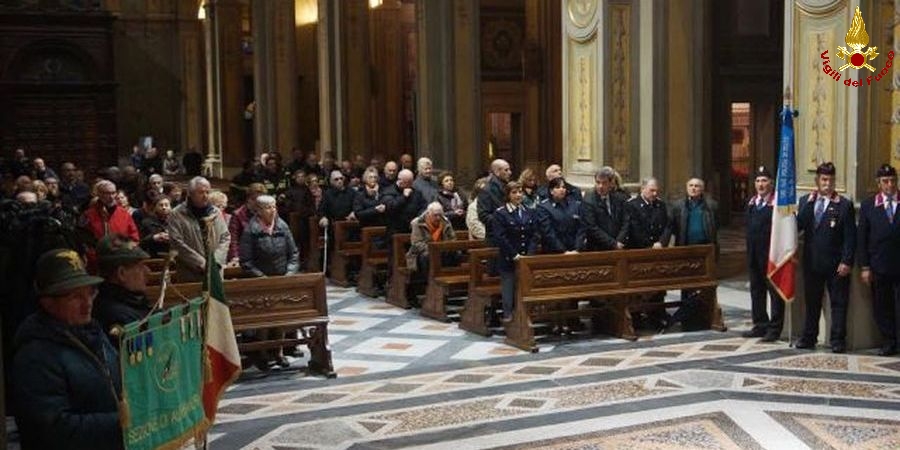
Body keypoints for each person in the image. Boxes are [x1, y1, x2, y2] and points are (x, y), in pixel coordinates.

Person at [12, 248, 123, 450]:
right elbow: (54, 430)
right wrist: (122, 422)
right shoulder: (35, 356)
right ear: (48, 302)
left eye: (90, 293)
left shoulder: (92, 333)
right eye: (75, 297)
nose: (87, 304)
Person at [795, 162, 856, 353]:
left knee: (838, 303)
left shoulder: (844, 205)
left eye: (830, 179)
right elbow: (799, 226)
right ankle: (809, 337)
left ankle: (837, 340)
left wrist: (846, 261)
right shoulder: (806, 201)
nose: (827, 183)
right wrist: (810, 203)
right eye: (824, 179)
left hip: (836, 265)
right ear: (817, 181)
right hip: (812, 263)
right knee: (812, 302)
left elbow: (850, 237)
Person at [858, 164, 900, 356]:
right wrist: (865, 266)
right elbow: (862, 238)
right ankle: (889, 341)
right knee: (883, 307)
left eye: (892, 181)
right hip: (879, 265)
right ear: (879, 183)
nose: (890, 185)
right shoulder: (868, 206)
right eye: (885, 181)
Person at [742, 166, 785, 342]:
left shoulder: (776, 204)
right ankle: (760, 324)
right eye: (758, 181)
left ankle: (775, 329)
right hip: (754, 255)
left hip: (771, 256)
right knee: (756, 291)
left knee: (774, 293)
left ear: (771, 183)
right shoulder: (752, 203)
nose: (761, 184)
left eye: (764, 181)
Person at [491, 181, 540, 321]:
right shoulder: (501, 213)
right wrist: (514, 255)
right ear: (507, 195)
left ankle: (524, 316)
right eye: (514, 192)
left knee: (525, 288)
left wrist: (529, 254)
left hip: (526, 259)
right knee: (509, 289)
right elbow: (500, 237)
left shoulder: (528, 211)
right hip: (509, 258)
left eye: (520, 192)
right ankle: (509, 316)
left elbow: (535, 234)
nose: (518, 195)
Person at [166, 176, 230, 282]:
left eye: (207, 192)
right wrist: (201, 263)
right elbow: (176, 243)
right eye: (201, 192)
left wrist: (216, 262)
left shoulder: (216, 212)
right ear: (190, 194)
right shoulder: (177, 214)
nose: (205, 196)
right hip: (190, 273)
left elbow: (225, 237)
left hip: (215, 271)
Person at [93, 235, 153, 341]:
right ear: (121, 273)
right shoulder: (117, 317)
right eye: (140, 266)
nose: (148, 271)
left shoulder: (133, 302)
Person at [580, 167, 628, 251]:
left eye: (604, 183)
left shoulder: (618, 197)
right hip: (598, 248)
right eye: (598, 182)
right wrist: (613, 244)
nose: (600, 186)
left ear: (611, 183)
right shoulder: (589, 200)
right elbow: (592, 227)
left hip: (619, 245)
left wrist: (620, 240)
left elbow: (625, 221)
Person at [407, 202, 457, 277]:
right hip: (422, 252)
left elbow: (452, 238)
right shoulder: (417, 223)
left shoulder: (446, 222)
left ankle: (450, 278)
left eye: (440, 215)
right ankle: (427, 281)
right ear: (429, 214)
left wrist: (445, 247)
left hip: (442, 250)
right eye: (435, 215)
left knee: (456, 254)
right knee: (426, 257)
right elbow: (417, 243)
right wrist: (434, 249)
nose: (438, 218)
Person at [537, 177, 582, 253]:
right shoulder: (544, 207)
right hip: (554, 251)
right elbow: (548, 233)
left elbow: (581, 228)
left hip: (574, 250)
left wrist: (577, 248)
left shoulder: (575, 205)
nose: (562, 190)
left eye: (563, 187)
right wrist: (563, 251)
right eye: (558, 187)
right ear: (551, 191)